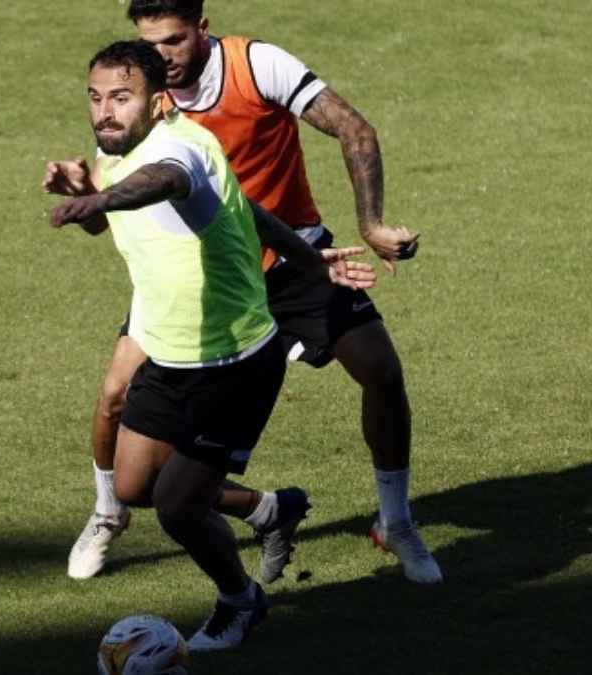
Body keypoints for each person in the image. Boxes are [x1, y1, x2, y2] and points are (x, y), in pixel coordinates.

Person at [67, 0, 443, 585]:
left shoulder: (254, 65)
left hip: (291, 254)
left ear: (202, 28)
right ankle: (111, 512)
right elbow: (131, 186)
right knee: (115, 395)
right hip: (204, 275)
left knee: (381, 369)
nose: (161, 56)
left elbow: (353, 127)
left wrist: (370, 224)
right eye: (149, 43)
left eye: (173, 41)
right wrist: (90, 193)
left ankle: (395, 521)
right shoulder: (138, 102)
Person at [46, 41, 377, 650]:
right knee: (132, 488)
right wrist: (312, 261)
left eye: (121, 98)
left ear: (159, 100)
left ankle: (239, 601)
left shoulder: (178, 151)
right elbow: (249, 213)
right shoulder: (114, 149)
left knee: (175, 507)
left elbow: (158, 183)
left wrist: (102, 196)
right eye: (95, 98)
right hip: (168, 353)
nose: (104, 113)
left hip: (234, 363)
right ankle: (270, 510)